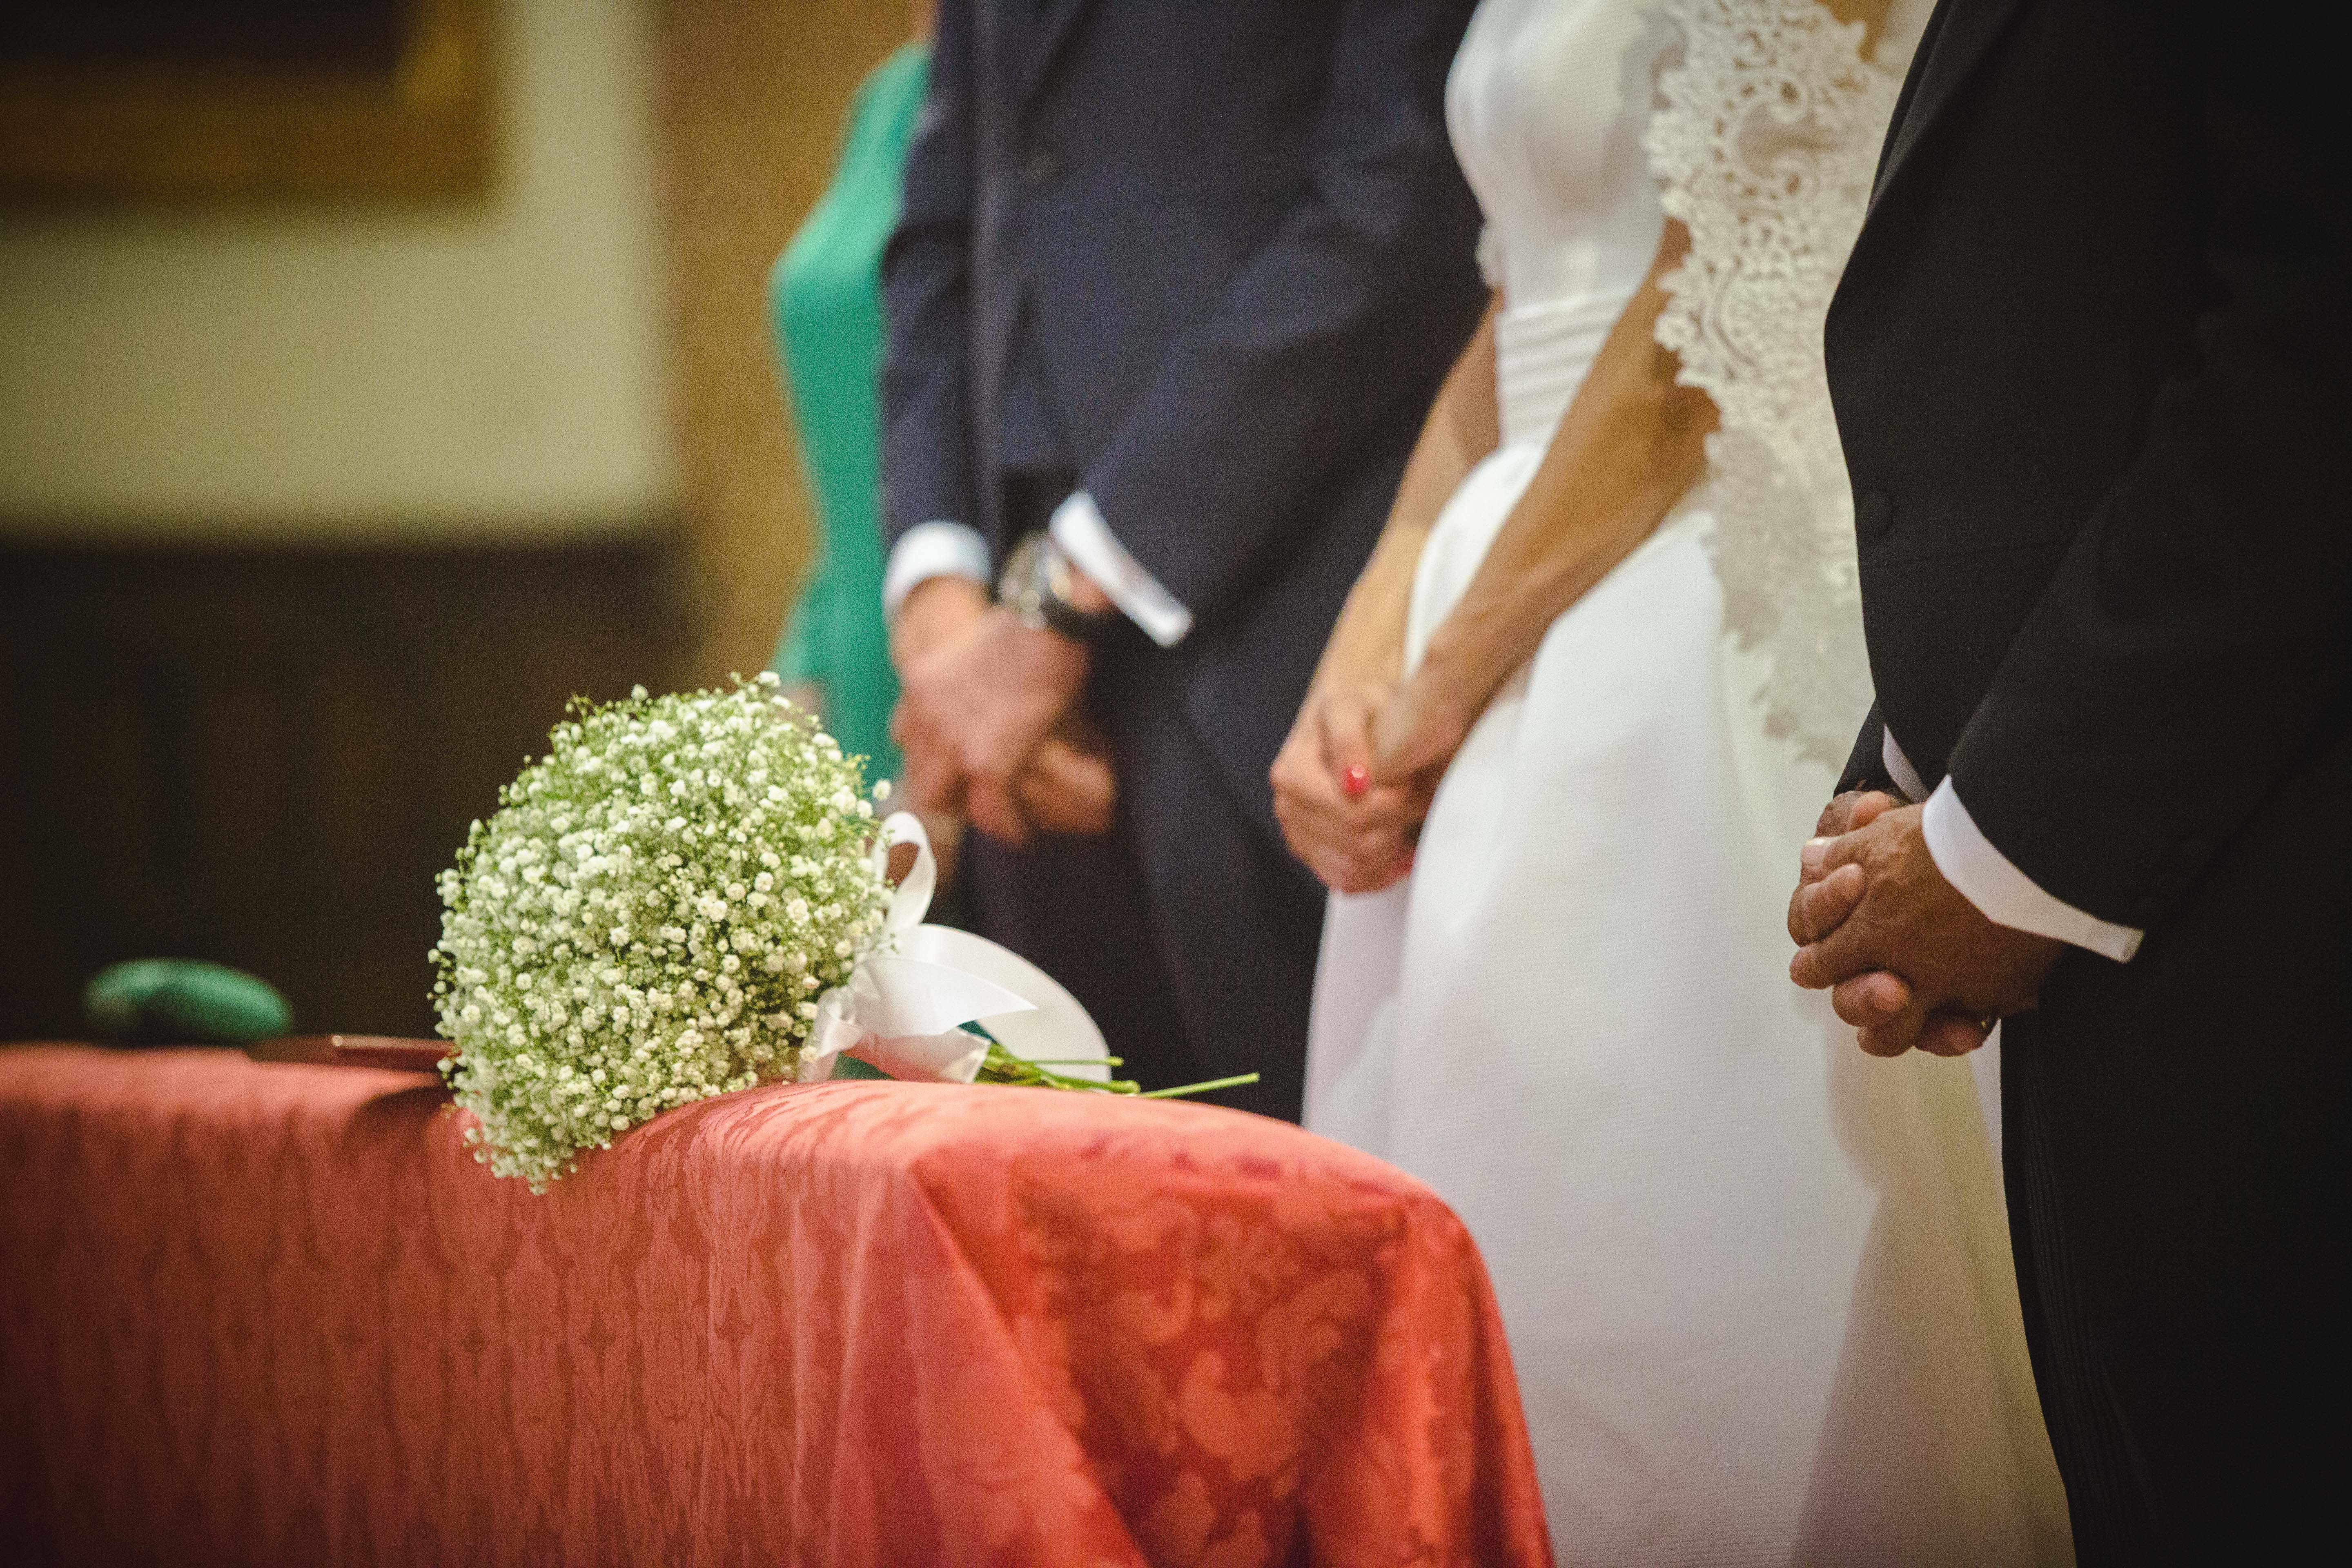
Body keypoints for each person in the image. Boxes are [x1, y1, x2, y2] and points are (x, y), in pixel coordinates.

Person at [1276, 0, 2069, 1557]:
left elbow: (1674, 361)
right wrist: (1363, 650)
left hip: (1675, 593)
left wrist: (1436, 690)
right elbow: (1515, 310)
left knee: (1652, 1211)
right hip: (1502, 582)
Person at [1785, 1, 2349, 1556]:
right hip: (2138, 872)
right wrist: (1932, 783)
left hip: (2265, 877)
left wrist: (2007, 847)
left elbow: (2310, 350)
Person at [878, 1, 1487, 1118]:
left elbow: (1397, 195)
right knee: (1066, 1191)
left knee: (1306, 1174)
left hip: (1271, 610)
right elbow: (941, 230)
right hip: (1010, 716)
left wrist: (1074, 589)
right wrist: (938, 603)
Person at [766, 31, 930, 787]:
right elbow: (849, 485)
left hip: (958, 659)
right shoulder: (886, 98)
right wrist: (804, 664)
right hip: (848, 644)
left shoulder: (1022, 98)